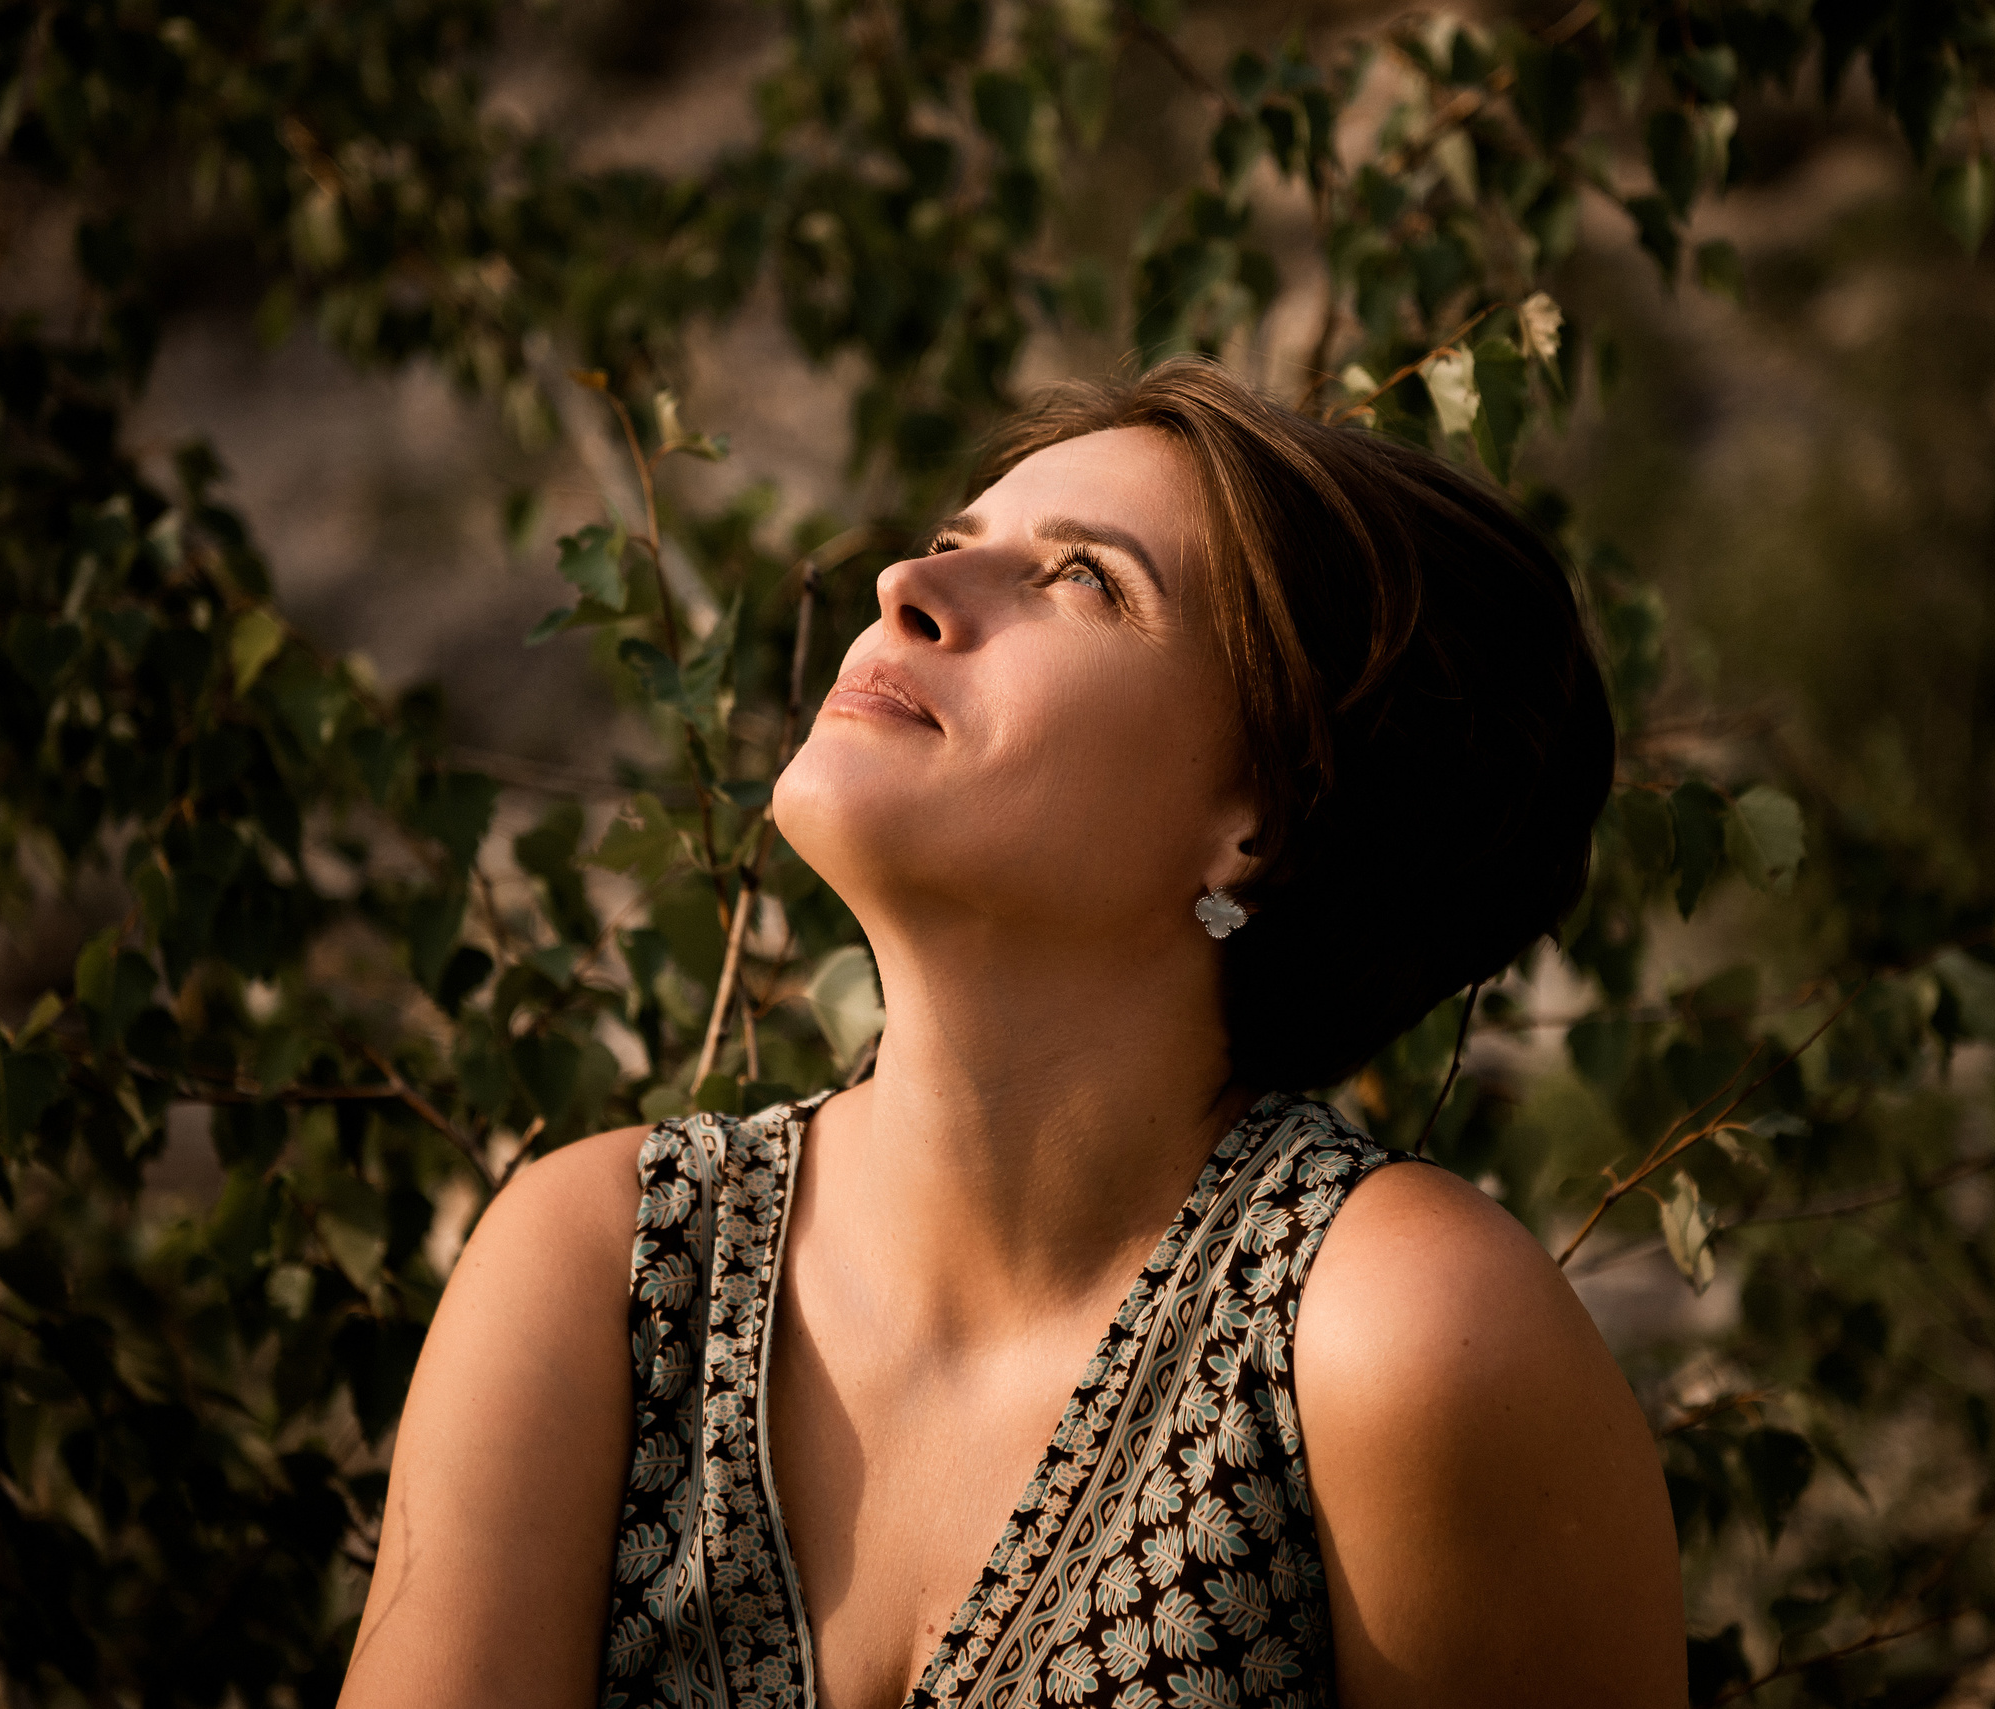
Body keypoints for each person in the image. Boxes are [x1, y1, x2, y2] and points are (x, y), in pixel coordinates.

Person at [338, 359, 1684, 1709]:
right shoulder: (600, 1271)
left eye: (1087, 578)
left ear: (1261, 817)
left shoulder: (1397, 1339)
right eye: (951, 544)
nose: (904, 590)